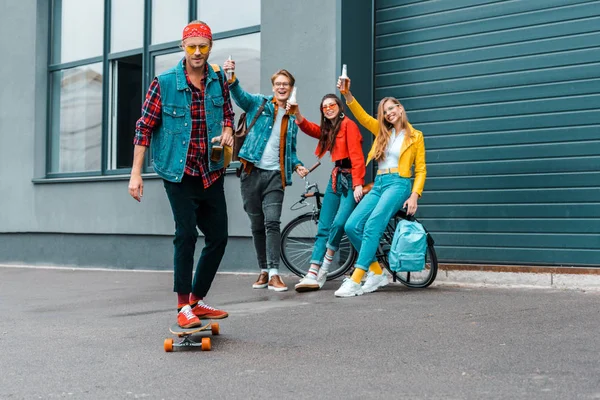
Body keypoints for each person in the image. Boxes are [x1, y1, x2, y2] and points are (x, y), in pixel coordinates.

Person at [128, 21, 234, 328]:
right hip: (179, 172)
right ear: (182, 48)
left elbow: (227, 113)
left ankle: (196, 300)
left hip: (211, 171)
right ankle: (181, 307)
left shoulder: (218, 80)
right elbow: (143, 129)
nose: (197, 52)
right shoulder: (163, 83)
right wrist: (135, 174)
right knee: (186, 234)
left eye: (203, 46)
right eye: (192, 46)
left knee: (218, 238)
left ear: (210, 47)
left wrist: (227, 129)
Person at [334, 75, 427, 297]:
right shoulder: (381, 131)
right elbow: (362, 116)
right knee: (352, 225)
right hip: (380, 183)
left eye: (391, 108)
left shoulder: (415, 136)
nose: (388, 113)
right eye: (384, 111)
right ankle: (377, 272)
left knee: (373, 224)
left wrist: (414, 195)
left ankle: (356, 279)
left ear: (400, 108)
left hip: (399, 183)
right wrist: (347, 94)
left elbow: (421, 169)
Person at [223, 58, 309, 292]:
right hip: (250, 173)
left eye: (286, 84)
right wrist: (231, 77)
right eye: (279, 84)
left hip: (275, 176)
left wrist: (298, 164)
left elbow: (290, 150)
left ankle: (274, 273)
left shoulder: (291, 119)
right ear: (273, 87)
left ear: (291, 89)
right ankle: (263, 270)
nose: (282, 87)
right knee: (257, 224)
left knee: (272, 222)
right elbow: (240, 95)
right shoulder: (259, 104)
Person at [288, 94, 366, 292]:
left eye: (332, 105)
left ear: (339, 106)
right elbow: (311, 129)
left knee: (340, 223)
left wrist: (358, 183)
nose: (329, 108)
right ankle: (313, 272)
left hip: (350, 179)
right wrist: (297, 113)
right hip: (336, 177)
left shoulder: (349, 125)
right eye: (325, 107)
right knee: (324, 225)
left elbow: (357, 156)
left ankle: (325, 267)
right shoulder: (330, 129)